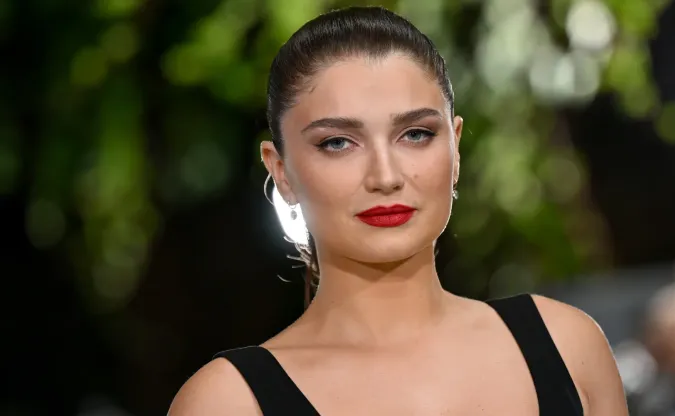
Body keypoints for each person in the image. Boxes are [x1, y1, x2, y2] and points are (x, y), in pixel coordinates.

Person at [168, 6, 626, 416]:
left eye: (416, 134)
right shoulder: (227, 403)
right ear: (281, 170)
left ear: (456, 147)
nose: (385, 176)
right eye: (338, 143)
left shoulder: (568, 347)